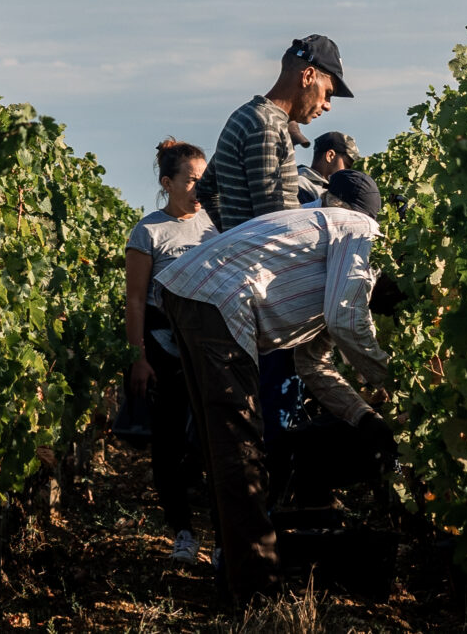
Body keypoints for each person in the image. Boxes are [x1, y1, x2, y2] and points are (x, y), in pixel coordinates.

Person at [157, 169, 402, 606]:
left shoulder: (320, 248)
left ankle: (235, 576)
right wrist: (393, 382)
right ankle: (256, 595)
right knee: (241, 449)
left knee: (225, 449)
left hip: (193, 293)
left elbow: (313, 365)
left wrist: (363, 416)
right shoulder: (359, 227)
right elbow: (348, 321)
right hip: (216, 300)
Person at [123, 138, 216, 564]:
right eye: (192, 181)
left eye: (203, 179)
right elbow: (136, 301)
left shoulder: (214, 224)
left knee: (215, 443)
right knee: (169, 444)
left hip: (211, 349)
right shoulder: (148, 232)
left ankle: (223, 537)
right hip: (165, 351)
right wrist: (138, 358)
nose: (200, 188)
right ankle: (182, 531)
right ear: (168, 183)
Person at [196, 35, 351, 231]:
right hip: (265, 261)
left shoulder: (247, 116)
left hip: (251, 258)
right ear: (308, 77)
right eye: (328, 93)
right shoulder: (267, 127)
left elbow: (206, 189)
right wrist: (238, 240)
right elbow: (275, 222)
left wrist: (233, 238)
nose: (327, 105)